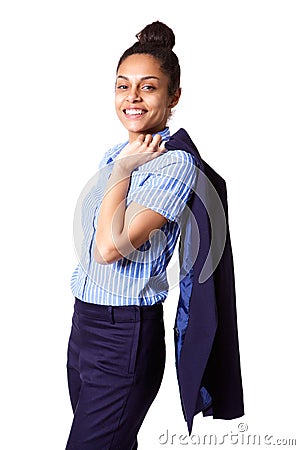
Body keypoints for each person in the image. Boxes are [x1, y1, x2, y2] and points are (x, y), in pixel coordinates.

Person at [65, 21, 198, 449]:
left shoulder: (174, 165)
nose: (132, 98)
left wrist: (123, 170)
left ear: (173, 96)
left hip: (123, 333)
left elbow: (109, 247)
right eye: (123, 86)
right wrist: (121, 163)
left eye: (148, 87)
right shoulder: (115, 153)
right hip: (84, 324)